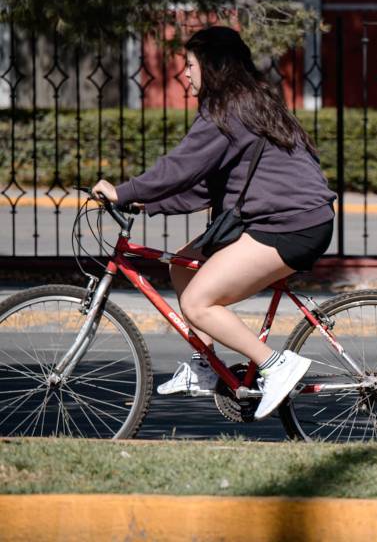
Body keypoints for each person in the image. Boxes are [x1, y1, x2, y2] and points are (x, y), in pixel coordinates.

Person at [92, 26, 336, 420]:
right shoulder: (247, 104)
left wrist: (123, 190)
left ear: (213, 65)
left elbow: (181, 166)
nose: (184, 74)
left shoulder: (226, 111)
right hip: (286, 218)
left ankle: (276, 365)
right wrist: (145, 203)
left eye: (189, 65)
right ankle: (205, 367)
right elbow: (204, 187)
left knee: (197, 300)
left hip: (290, 224)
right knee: (183, 265)